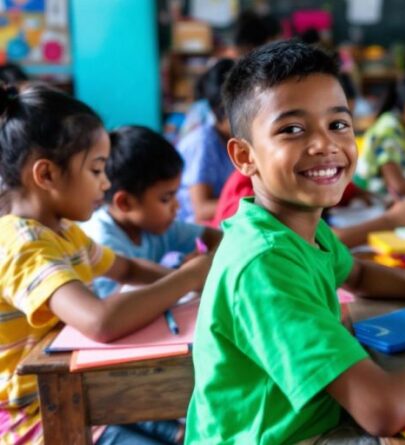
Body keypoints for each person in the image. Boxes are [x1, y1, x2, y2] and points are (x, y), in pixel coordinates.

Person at [185, 41, 405, 443]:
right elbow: (382, 409)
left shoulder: (295, 223)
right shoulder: (264, 265)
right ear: (244, 156)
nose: (325, 144)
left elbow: (355, 272)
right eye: (292, 129)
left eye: (338, 124)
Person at [0, 84, 210, 444]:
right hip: (33, 421)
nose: (106, 182)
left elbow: (127, 269)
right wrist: (189, 276)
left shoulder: (62, 232)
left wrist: (193, 281)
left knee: (191, 429)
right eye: (96, 170)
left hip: (71, 391)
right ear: (47, 175)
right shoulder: (22, 243)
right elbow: (99, 321)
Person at [82, 126, 222, 297]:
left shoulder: (155, 225)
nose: (176, 206)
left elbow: (217, 238)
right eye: (165, 198)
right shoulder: (103, 242)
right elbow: (118, 305)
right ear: (125, 202)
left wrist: (204, 262)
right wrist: (186, 276)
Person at [176, 59, 236, 223]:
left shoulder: (232, 139)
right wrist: (252, 203)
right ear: (226, 110)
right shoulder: (203, 143)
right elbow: (201, 209)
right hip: (192, 228)